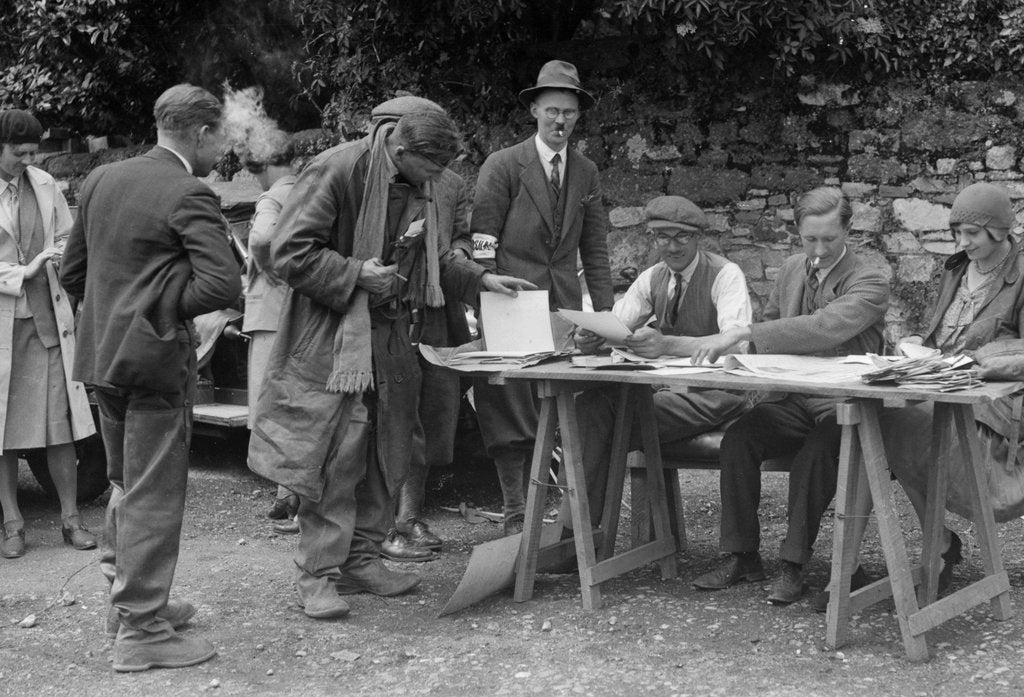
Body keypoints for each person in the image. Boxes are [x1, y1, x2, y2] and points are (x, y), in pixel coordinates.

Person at [247, 108, 534, 621]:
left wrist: (482, 281)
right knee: (338, 456)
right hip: (335, 340)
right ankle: (317, 575)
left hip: (395, 336)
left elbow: (435, 256)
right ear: (400, 151)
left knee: (388, 449)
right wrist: (356, 273)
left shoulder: (423, 182)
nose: (438, 181)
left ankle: (361, 560)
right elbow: (287, 251)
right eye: (430, 168)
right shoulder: (337, 170)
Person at [61, 84, 241, 671]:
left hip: (101, 361)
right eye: (221, 136)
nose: (225, 147)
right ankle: (141, 630)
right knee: (154, 497)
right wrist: (159, 315)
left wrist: (118, 316)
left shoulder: (101, 179)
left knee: (125, 483)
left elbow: (73, 273)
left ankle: (126, 603)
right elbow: (221, 288)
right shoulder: (190, 190)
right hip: (154, 366)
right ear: (199, 133)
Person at [815, 182, 1024, 611]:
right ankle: (894, 557)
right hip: (940, 386)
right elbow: (942, 337)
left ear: (1001, 231)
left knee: (878, 427)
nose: (963, 243)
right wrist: (916, 348)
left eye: (974, 234)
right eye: (958, 232)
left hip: (996, 407)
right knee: (872, 419)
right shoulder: (955, 268)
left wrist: (972, 361)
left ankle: (861, 568)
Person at [690, 186, 889, 606]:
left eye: (829, 239)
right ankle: (742, 555)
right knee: (740, 438)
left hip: (848, 406)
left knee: (816, 455)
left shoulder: (870, 280)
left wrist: (747, 333)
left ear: (848, 230)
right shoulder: (792, 269)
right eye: (809, 239)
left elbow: (824, 327)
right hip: (794, 400)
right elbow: (771, 325)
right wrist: (744, 361)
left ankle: (794, 564)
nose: (818, 249)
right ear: (797, 233)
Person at [471, 59, 614, 535]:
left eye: (569, 114)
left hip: (562, 307)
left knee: (560, 404)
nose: (560, 122)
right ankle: (517, 513)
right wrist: (486, 287)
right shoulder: (503, 165)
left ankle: (557, 513)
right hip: (510, 301)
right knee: (509, 405)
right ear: (534, 110)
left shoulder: (586, 172)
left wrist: (606, 319)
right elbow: (482, 238)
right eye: (552, 111)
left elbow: (594, 248)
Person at [565, 195, 752, 530]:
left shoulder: (726, 275)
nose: (673, 246)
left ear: (698, 238)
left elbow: (738, 343)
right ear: (653, 238)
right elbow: (619, 323)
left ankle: (582, 535)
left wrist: (667, 344)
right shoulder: (653, 277)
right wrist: (591, 334)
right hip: (668, 392)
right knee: (590, 407)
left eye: (682, 237)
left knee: (605, 420)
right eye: (663, 237)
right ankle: (582, 532)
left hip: (717, 394)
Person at [368, 96, 474, 563]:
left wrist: (466, 260)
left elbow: (462, 236)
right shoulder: (375, 182)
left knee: (431, 419)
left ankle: (410, 516)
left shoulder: (449, 183)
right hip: (387, 312)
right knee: (391, 421)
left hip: (435, 312)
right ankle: (384, 524)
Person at [0, 109, 97, 559]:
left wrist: (61, 252)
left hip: (48, 324)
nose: (28, 159)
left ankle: (71, 519)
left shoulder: (44, 184)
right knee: (2, 434)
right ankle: (13, 525)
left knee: (61, 426)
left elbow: (68, 235)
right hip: (4, 325)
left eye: (33, 151)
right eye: (19, 152)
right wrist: (23, 270)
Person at [235, 130, 302, 528]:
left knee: (273, 407)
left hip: (273, 314)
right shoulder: (308, 186)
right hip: (302, 313)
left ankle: (291, 500)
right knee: (297, 406)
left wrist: (272, 270)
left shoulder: (273, 195)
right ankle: (286, 493)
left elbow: (260, 238)